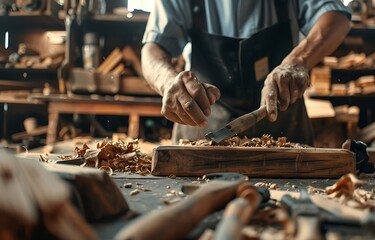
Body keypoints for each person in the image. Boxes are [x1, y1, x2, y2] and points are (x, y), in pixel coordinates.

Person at [141, 0, 351, 145]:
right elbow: (153, 49)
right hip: (204, 124)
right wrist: (168, 82)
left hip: (282, 125)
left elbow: (336, 18)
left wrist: (298, 61)